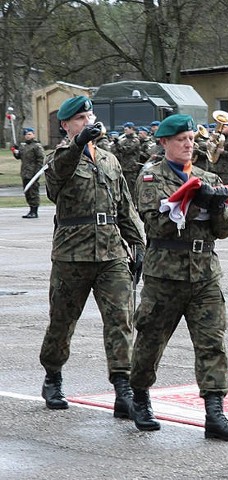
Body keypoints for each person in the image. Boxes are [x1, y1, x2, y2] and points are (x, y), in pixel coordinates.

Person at [129, 114, 228, 441]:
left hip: (205, 272)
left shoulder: (208, 176)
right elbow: (157, 224)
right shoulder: (152, 178)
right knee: (151, 341)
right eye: (181, 139)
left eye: (191, 138)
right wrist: (194, 203)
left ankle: (215, 412)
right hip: (165, 275)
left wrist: (218, 205)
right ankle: (139, 397)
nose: (188, 144)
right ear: (164, 142)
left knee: (212, 342)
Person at [39, 95, 145, 418]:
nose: (88, 122)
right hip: (73, 253)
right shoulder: (57, 157)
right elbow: (55, 182)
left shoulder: (110, 160)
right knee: (62, 320)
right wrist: (77, 145)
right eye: (80, 119)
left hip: (111, 251)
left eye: (89, 116)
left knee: (121, 319)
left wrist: (137, 243)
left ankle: (123, 388)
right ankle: (53, 376)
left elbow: (123, 205)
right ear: (66, 125)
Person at [12, 127, 45, 219]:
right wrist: (15, 151)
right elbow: (19, 157)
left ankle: (34, 211)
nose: (28, 136)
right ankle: (30, 209)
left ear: (33, 135)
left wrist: (37, 172)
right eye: (26, 134)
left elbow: (41, 159)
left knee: (33, 192)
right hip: (25, 172)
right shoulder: (24, 146)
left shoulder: (36, 146)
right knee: (27, 192)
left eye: (29, 134)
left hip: (33, 172)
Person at [114, 121, 142, 196]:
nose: (124, 131)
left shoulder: (135, 140)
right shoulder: (124, 140)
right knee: (123, 187)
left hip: (131, 168)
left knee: (130, 188)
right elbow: (117, 151)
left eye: (126, 130)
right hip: (124, 166)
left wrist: (117, 144)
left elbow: (127, 150)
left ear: (132, 129)